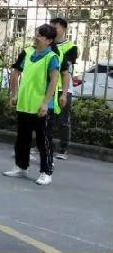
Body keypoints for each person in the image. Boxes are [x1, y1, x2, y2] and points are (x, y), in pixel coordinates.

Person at [4, 25, 61, 186]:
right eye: (36, 34)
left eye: (40, 36)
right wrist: (14, 94)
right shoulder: (28, 53)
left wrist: (45, 103)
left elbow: (54, 81)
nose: (36, 38)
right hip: (24, 103)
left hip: (42, 106)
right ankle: (21, 167)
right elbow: (16, 72)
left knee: (43, 141)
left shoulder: (52, 57)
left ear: (49, 40)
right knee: (22, 139)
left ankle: (46, 172)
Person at [49, 17, 77, 160]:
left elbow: (64, 67)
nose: (52, 30)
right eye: (51, 27)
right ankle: (41, 145)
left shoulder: (71, 47)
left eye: (55, 27)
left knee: (63, 119)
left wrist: (64, 93)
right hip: (48, 87)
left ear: (64, 29)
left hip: (63, 87)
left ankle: (63, 148)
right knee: (45, 117)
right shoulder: (48, 44)